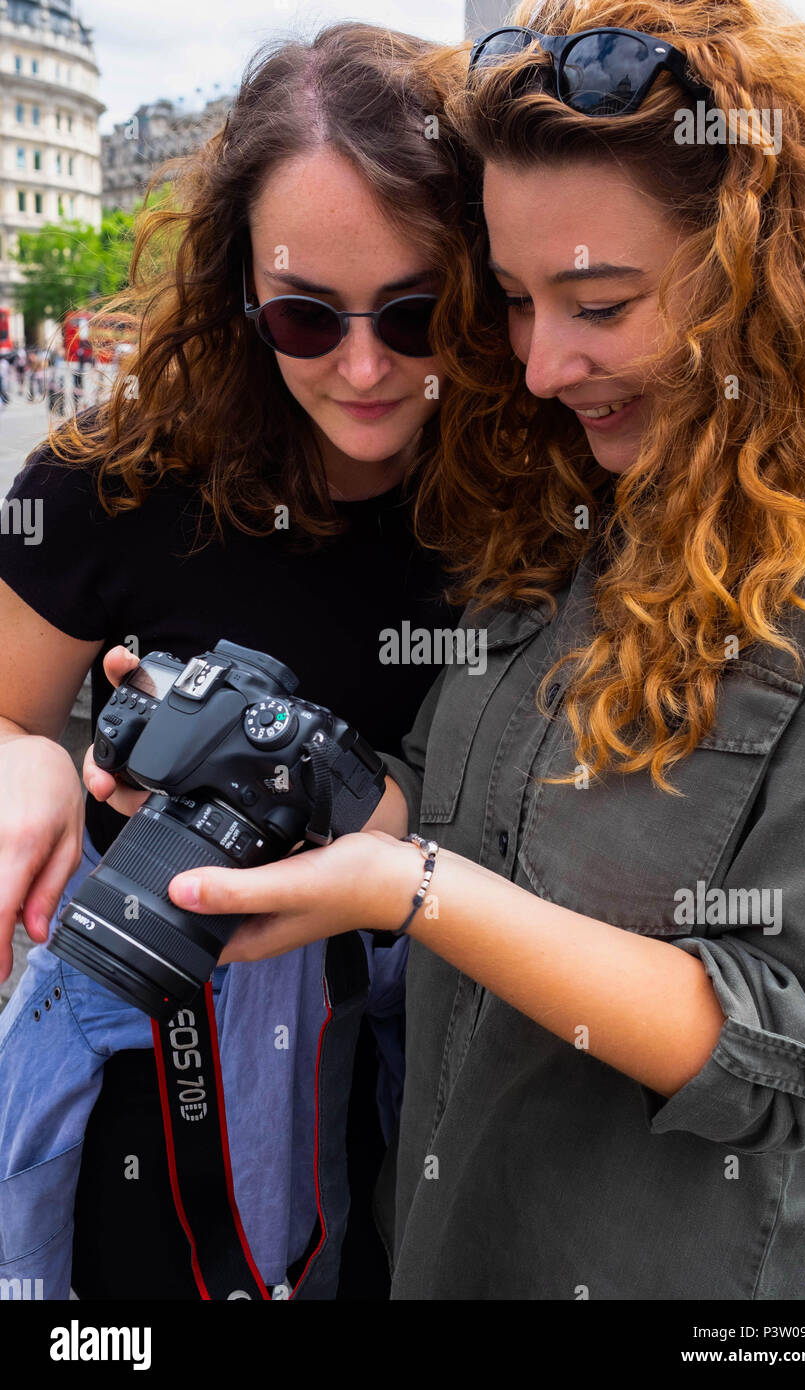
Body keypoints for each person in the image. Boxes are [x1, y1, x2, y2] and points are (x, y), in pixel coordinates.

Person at [134, 0, 805, 1299]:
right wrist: (269, 790)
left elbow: (796, 1050)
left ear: (767, 270)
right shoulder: (560, 494)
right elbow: (433, 784)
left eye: (596, 302)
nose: (538, 365)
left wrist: (409, 892)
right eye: (517, 300)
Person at [0, 21, 473, 1301]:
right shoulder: (110, 483)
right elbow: (1, 712)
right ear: (235, 294)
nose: (365, 367)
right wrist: (26, 766)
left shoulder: (531, 499)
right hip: (157, 1071)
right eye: (302, 317)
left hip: (435, 1081)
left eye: (420, 310)